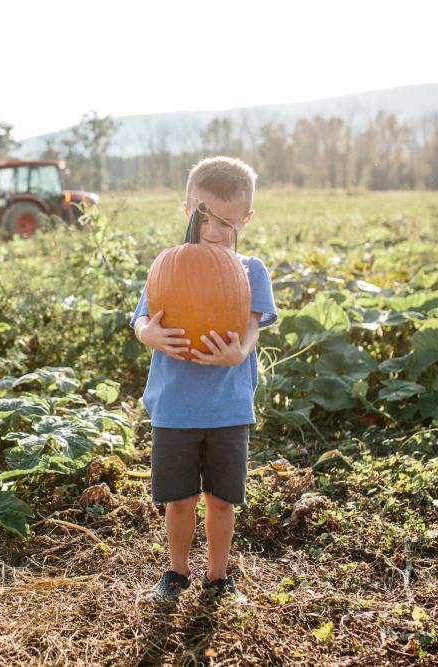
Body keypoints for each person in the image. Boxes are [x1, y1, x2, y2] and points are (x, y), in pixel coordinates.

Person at [130, 156, 278, 604]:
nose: (214, 231)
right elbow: (140, 320)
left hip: (227, 407)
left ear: (246, 219)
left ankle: (218, 577)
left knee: (220, 499)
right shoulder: (168, 265)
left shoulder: (251, 270)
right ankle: (175, 573)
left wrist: (241, 350)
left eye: (227, 223)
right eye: (205, 218)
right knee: (179, 500)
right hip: (175, 407)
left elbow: (253, 325)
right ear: (187, 209)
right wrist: (148, 334)